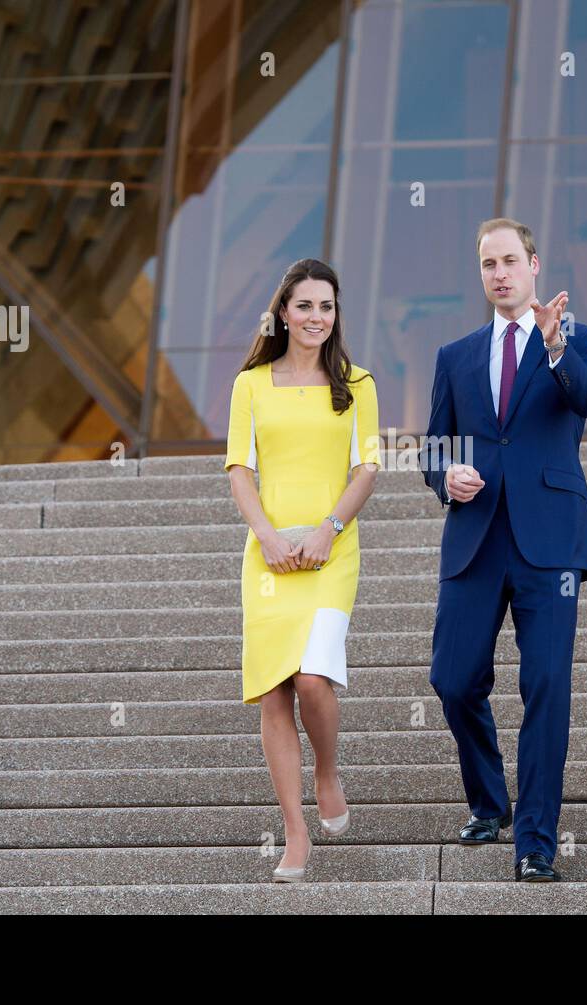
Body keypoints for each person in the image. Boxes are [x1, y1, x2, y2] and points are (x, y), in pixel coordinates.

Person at [421, 218, 587, 882]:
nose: (498, 272)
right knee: (451, 678)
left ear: (533, 264)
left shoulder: (581, 340)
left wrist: (556, 346)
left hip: (550, 543)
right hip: (475, 540)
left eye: (509, 260)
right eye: (487, 264)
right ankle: (489, 800)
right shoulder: (456, 356)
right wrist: (447, 475)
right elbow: (434, 446)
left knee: (547, 684)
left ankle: (535, 839)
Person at [224, 258, 380, 882]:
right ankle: (294, 831)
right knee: (275, 693)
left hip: (331, 552)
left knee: (314, 679)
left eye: (328, 307)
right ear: (283, 312)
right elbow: (240, 468)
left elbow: (366, 468)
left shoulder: (358, 383)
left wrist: (328, 530)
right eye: (306, 306)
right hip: (267, 560)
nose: (318, 317)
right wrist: (264, 536)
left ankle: (327, 771)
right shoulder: (251, 384)